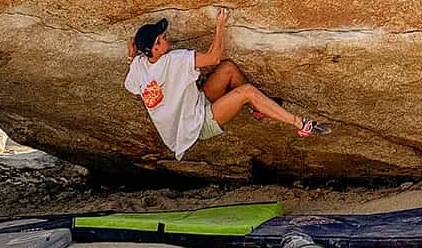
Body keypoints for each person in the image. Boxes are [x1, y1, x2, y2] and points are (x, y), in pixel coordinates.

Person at [124, 9, 331, 161]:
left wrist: (131, 57)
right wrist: (220, 26)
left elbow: (131, 86)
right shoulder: (174, 60)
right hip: (197, 125)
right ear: (156, 49)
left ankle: (258, 109)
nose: (166, 38)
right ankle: (300, 124)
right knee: (247, 91)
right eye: (162, 38)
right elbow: (213, 58)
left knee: (228, 69)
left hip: (195, 107)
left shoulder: (138, 68)